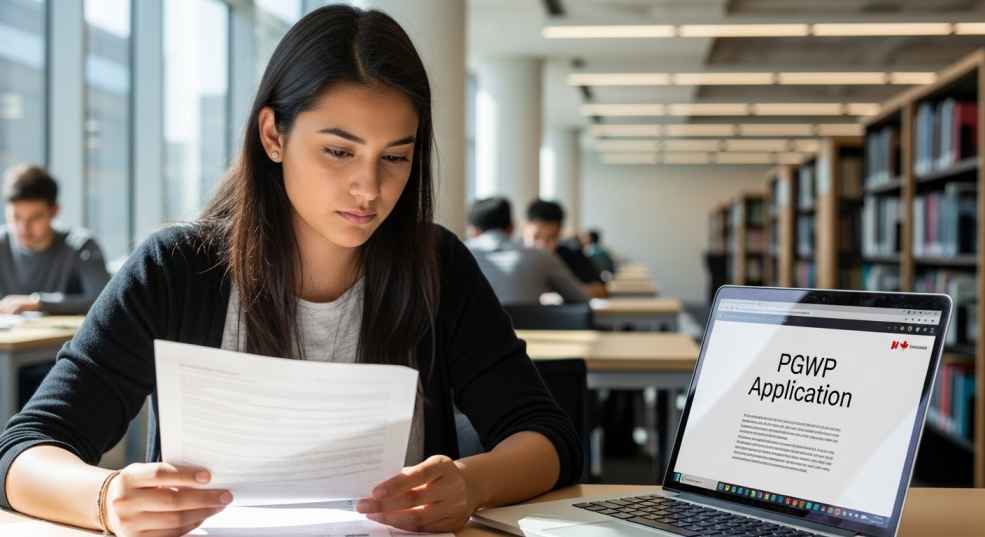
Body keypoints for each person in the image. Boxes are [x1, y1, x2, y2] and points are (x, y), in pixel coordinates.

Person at [0, 6, 581, 537]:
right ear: (274, 135)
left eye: (395, 157)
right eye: (338, 151)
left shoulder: (437, 267)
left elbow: (545, 437)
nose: (370, 188)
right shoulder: (175, 270)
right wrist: (104, 496)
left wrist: (472, 482)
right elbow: (23, 449)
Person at [0, 165, 111, 315]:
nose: (23, 228)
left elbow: (104, 301)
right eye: (15, 217)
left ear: (54, 211)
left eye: (35, 218)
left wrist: (38, 303)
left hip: (65, 338)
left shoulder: (81, 246)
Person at [466, 197, 587, 305]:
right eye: (537, 236)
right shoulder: (541, 256)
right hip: (525, 328)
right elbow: (581, 299)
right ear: (512, 227)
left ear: (473, 231)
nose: (542, 243)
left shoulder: (456, 255)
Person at [523, 200, 607, 299]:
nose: (542, 245)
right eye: (536, 237)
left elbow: (601, 290)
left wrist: (565, 291)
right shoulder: (510, 259)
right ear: (524, 228)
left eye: (551, 238)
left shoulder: (571, 255)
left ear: (559, 234)